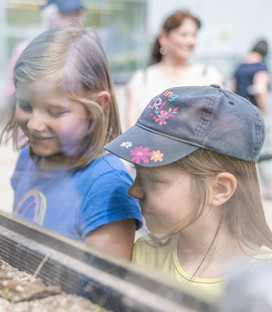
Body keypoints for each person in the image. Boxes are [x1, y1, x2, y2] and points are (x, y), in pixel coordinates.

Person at [104, 84, 272, 296]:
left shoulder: (264, 283)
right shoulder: (143, 256)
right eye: (137, 172)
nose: (134, 191)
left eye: (154, 180)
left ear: (219, 189)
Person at [0, 27, 142, 259]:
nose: (35, 124)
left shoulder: (106, 185)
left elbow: (104, 286)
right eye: (26, 105)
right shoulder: (28, 156)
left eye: (55, 111)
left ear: (97, 106)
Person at [125, 10, 223, 128]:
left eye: (194, 35)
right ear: (163, 37)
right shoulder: (142, 79)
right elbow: (130, 128)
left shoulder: (208, 76)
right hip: (146, 146)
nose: (190, 41)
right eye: (184, 34)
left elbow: (219, 122)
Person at [5, 0, 85, 101]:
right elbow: (12, 94)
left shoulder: (84, 53)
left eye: (77, 14)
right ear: (49, 18)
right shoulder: (26, 50)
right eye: (66, 14)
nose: (74, 20)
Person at [233, 39, 272, 199]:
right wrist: (266, 112)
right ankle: (269, 188)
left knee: (244, 150)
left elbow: (233, 90)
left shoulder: (240, 67)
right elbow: (259, 89)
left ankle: (245, 187)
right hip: (257, 114)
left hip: (241, 113)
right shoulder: (261, 67)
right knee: (265, 151)